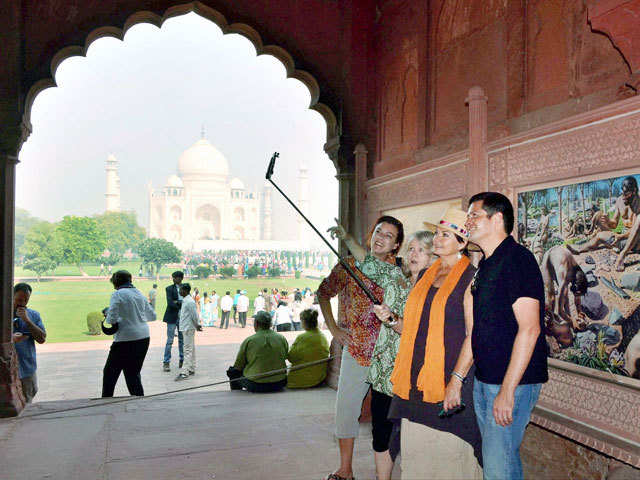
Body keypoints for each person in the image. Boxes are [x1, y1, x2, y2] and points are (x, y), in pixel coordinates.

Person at [386, 209, 481, 479]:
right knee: (416, 455)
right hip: (415, 378)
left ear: (462, 242)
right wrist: (392, 319)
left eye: (446, 235)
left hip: (447, 379)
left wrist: (456, 380)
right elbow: (416, 326)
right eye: (437, 233)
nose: (437, 239)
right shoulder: (426, 274)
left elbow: (473, 336)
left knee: (448, 456)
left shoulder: (471, 278)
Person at [465, 192, 549, 480]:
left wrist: (507, 390)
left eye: (474, 215)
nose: (468, 222)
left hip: (511, 383)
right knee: (498, 463)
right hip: (486, 379)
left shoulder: (517, 260)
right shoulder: (487, 264)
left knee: (498, 467)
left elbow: (531, 328)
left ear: (497, 218)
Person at [318, 215, 403, 480]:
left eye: (388, 236)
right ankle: (345, 470)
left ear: (396, 245)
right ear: (371, 234)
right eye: (379, 231)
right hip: (356, 351)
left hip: (388, 355)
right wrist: (333, 329)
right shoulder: (350, 265)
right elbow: (323, 292)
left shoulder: (399, 273)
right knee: (345, 410)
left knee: (386, 419)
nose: (381, 238)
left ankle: (386, 473)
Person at [102, 270, 156, 397]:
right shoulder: (139, 293)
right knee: (133, 374)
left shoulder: (118, 294)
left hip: (125, 339)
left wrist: (107, 312)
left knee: (110, 373)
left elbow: (111, 319)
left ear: (115, 283)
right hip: (143, 337)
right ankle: (140, 403)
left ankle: (105, 402)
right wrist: (135, 316)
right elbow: (152, 316)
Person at [226, 311, 289, 392]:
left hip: (256, 384)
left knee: (233, 372)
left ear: (257, 323)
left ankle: (236, 396)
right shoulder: (281, 338)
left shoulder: (250, 340)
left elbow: (238, 366)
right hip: (280, 382)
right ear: (270, 324)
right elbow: (285, 356)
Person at [12, 283, 46, 403]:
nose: (23, 303)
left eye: (26, 300)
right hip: (7, 370)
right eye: (19, 299)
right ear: (12, 296)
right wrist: (11, 339)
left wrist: (27, 320)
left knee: (27, 402)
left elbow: (42, 338)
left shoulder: (33, 315)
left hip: (27, 368)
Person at [540, 246, 588, 330]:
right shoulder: (565, 276)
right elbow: (559, 311)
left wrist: (579, 311)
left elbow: (578, 294)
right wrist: (572, 321)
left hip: (559, 258)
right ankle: (551, 323)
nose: (577, 296)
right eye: (576, 294)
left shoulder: (579, 273)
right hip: (548, 260)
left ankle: (569, 321)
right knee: (551, 297)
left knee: (565, 298)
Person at [286, 308, 330, 388]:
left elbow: (291, 357)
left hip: (301, 380)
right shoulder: (322, 336)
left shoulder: (302, 338)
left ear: (304, 322)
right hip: (319, 378)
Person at [175, 283, 203, 381]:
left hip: (188, 328)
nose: (179, 291)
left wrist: (198, 325)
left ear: (186, 291)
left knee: (187, 350)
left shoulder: (190, 301)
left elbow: (194, 315)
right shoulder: (186, 300)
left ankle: (184, 372)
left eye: (181, 290)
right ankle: (191, 368)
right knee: (191, 348)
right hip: (186, 327)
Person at [162, 271, 184, 372]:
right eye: (173, 277)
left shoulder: (185, 288)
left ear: (180, 278)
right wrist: (180, 303)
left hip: (182, 317)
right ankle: (166, 362)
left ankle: (182, 360)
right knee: (170, 340)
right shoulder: (169, 288)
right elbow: (170, 303)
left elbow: (187, 301)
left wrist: (177, 301)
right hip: (172, 317)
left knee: (181, 340)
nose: (173, 279)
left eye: (175, 278)